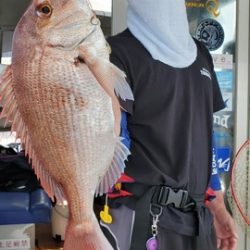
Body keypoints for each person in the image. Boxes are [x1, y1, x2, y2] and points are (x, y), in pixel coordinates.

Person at [95, 0, 238, 249]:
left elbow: (207, 137)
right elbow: (113, 141)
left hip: (197, 219)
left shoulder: (201, 54)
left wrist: (217, 206)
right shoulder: (114, 53)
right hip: (141, 216)